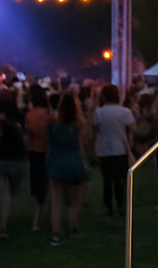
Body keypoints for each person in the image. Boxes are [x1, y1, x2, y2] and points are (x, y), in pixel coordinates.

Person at [45, 92, 89, 245]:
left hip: (56, 163)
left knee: (56, 202)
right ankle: (73, 231)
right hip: (73, 164)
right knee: (73, 202)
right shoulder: (77, 127)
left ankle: (56, 235)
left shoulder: (53, 126)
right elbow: (81, 148)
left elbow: (49, 146)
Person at [93, 83, 135, 217]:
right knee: (119, 180)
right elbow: (134, 128)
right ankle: (120, 205)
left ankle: (109, 207)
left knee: (107, 180)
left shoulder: (99, 112)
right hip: (120, 149)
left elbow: (95, 131)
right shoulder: (124, 112)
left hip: (103, 149)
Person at [0, 92, 28, 239]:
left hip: (1, 160)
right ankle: (5, 218)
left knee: (3, 194)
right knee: (15, 192)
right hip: (18, 159)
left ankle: (3, 224)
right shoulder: (20, 117)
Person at [26, 83, 52, 231]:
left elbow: (28, 134)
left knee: (35, 186)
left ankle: (36, 219)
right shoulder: (49, 116)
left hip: (34, 152)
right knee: (46, 185)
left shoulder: (30, 115)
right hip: (47, 151)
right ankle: (42, 217)